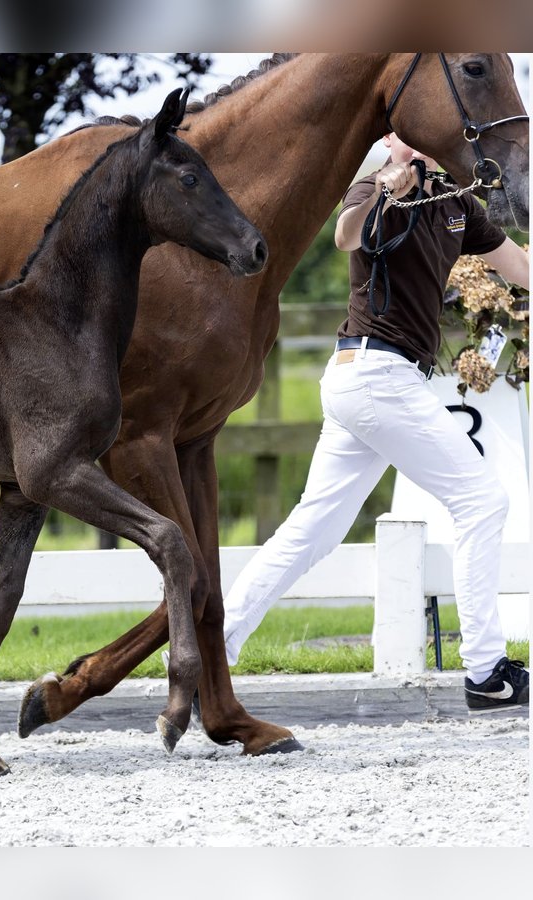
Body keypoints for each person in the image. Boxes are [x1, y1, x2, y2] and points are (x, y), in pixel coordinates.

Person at [221, 132, 530, 712]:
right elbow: (344, 235)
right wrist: (384, 185)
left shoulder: (458, 201)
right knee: (482, 502)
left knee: (312, 530)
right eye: (402, 136)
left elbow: (519, 267)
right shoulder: (375, 186)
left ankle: (214, 648)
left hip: (373, 382)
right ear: (393, 140)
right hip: (374, 375)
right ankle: (486, 670)